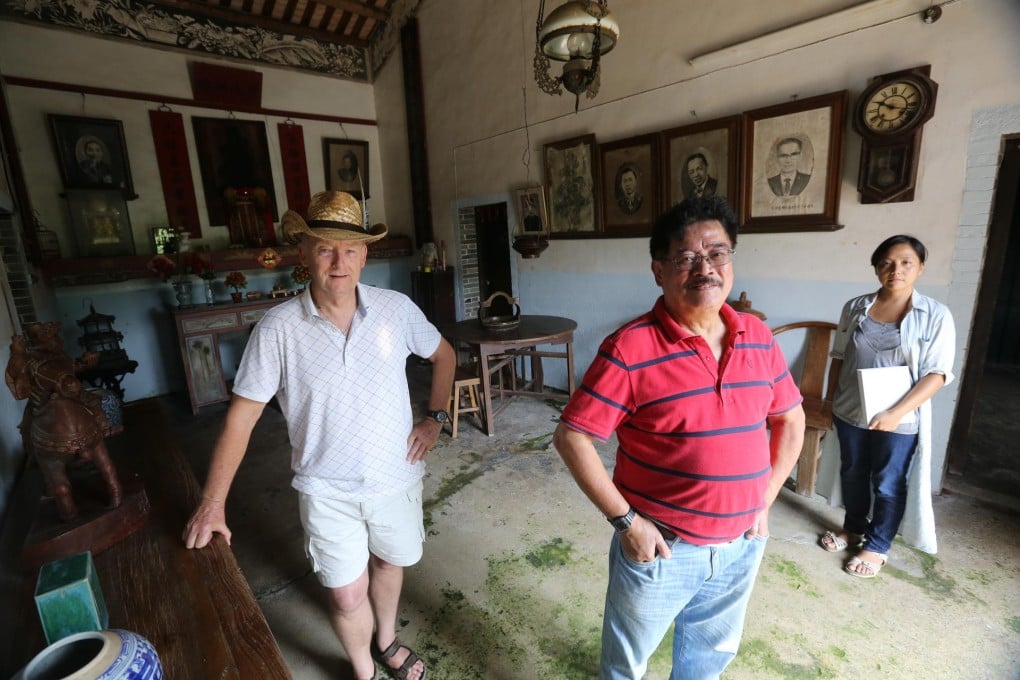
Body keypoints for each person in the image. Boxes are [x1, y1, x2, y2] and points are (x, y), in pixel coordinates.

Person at [183, 190, 456, 680]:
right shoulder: (278, 329)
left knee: (390, 564)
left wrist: (434, 419)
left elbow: (445, 356)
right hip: (325, 489)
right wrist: (212, 502)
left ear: (365, 255)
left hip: (396, 475)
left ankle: (387, 640)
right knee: (345, 594)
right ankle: (363, 671)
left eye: (350, 249)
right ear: (302, 253)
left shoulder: (395, 310)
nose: (338, 261)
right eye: (324, 247)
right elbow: (242, 419)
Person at [553, 196, 805, 679]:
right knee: (627, 663)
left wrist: (763, 499)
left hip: (742, 546)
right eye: (686, 257)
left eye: (717, 253)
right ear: (659, 270)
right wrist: (628, 523)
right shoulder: (630, 348)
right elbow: (572, 439)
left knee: (709, 659)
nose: (705, 267)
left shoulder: (757, 336)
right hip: (662, 550)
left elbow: (790, 421)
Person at [818, 235, 955, 578]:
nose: (896, 270)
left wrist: (894, 413)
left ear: (921, 267)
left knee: (888, 481)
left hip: (901, 417)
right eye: (887, 263)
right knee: (852, 472)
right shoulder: (854, 307)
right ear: (877, 267)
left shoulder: (935, 315)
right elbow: (838, 358)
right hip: (850, 409)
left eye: (907, 262)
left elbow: (937, 374)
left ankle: (877, 545)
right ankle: (853, 528)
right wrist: (830, 401)